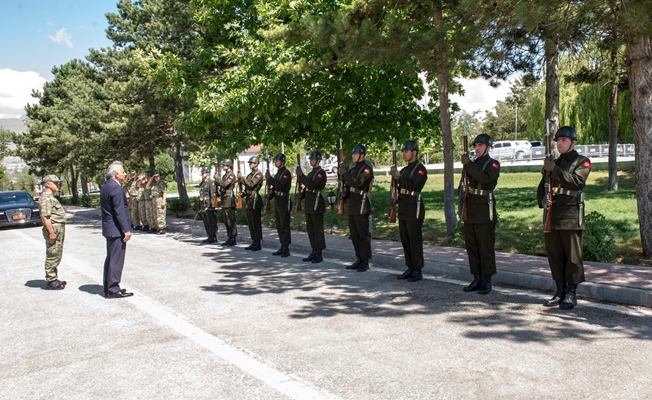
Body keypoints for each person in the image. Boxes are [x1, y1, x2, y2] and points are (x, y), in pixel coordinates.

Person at [537, 126, 591, 310]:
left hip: (569, 215)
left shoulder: (581, 161)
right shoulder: (553, 162)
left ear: (573, 142)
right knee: (555, 256)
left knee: (572, 257)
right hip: (552, 214)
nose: (560, 143)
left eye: (564, 140)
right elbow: (542, 186)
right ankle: (559, 291)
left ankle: (571, 293)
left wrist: (555, 170)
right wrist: (542, 200)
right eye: (558, 141)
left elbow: (577, 182)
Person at [459, 133, 500, 295]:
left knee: (485, 247)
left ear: (488, 148)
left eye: (480, 146)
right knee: (472, 247)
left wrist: (468, 165)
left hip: (484, 209)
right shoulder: (472, 164)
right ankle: (476, 277)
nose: (477, 148)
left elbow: (485, 179)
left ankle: (487, 279)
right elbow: (463, 185)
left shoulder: (493, 164)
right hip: (470, 209)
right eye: (475, 145)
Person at [390, 140, 428, 282]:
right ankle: (410, 267)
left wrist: (397, 177)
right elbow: (400, 188)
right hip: (404, 207)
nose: (404, 154)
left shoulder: (420, 169)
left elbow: (412, 185)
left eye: (406, 151)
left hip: (414, 207)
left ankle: (417, 270)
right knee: (405, 240)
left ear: (414, 152)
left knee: (414, 240)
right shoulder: (405, 170)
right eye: (403, 151)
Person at [338, 144, 374, 272]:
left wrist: (345, 174)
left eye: (355, 153)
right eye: (353, 153)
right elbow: (349, 185)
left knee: (363, 234)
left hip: (361, 204)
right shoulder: (353, 169)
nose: (353, 155)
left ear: (362, 155)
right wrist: (344, 195)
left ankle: (365, 261)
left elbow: (357, 182)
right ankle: (358, 258)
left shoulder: (366, 169)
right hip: (353, 203)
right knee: (354, 234)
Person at [100, 161, 133, 298]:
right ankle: (113, 289)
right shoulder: (116, 188)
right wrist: (126, 229)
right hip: (116, 229)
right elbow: (119, 211)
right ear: (116, 174)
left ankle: (108, 286)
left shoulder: (106, 185)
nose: (124, 174)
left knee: (111, 258)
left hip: (110, 228)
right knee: (116, 260)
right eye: (123, 172)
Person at [296, 151, 327, 263]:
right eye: (310, 159)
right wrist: (301, 196)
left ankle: (319, 253)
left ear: (318, 160)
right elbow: (306, 188)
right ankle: (314, 250)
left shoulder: (320, 173)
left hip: (316, 203)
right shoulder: (311, 172)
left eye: (312, 159)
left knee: (317, 230)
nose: (310, 161)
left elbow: (311, 185)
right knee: (310, 230)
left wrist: (301, 175)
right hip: (309, 204)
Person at [38, 175, 67, 290]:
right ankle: (51, 281)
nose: (57, 185)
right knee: (52, 254)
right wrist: (51, 232)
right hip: (53, 229)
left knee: (56, 253)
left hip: (57, 228)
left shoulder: (50, 197)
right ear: (48, 184)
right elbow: (46, 217)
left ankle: (54, 278)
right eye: (55, 183)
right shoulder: (46, 197)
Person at [266, 153, 292, 257]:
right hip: (277, 200)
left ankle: (286, 247)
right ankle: (282, 245)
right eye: (275, 160)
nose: (275, 162)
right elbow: (275, 187)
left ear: (282, 162)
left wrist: (270, 179)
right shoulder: (278, 173)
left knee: (284, 225)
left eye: (277, 160)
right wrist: (270, 195)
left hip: (284, 200)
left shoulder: (286, 173)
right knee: (279, 225)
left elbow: (280, 186)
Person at [239, 156, 264, 251]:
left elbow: (250, 184)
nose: (250, 164)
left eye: (251, 163)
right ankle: (254, 240)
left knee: (256, 222)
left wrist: (242, 178)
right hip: (249, 199)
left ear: (256, 164)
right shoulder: (250, 174)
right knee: (251, 222)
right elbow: (247, 187)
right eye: (249, 163)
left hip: (255, 200)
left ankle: (258, 242)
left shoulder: (258, 174)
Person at [216, 159, 238, 246]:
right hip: (224, 199)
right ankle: (229, 237)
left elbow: (225, 184)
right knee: (226, 220)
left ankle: (233, 238)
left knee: (231, 220)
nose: (222, 166)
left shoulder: (231, 175)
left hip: (229, 199)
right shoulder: (225, 175)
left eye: (224, 165)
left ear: (229, 166)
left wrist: (217, 179)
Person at [198, 167, 218, 244]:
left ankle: (213, 236)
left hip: (209, 205)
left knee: (212, 221)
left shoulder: (211, 182)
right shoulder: (203, 183)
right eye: (202, 173)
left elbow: (213, 195)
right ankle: (209, 235)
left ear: (208, 173)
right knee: (206, 221)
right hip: (203, 204)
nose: (202, 174)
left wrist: (212, 205)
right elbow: (201, 195)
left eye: (204, 173)